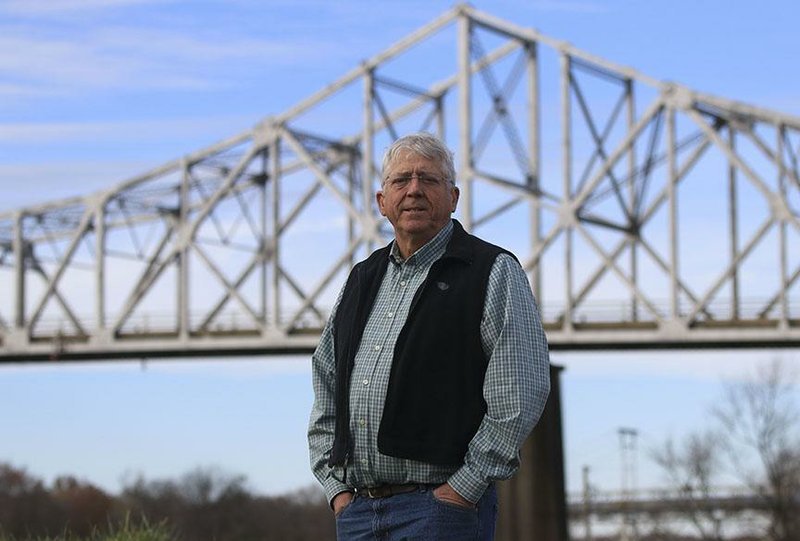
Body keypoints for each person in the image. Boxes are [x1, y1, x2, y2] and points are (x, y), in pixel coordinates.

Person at [308, 132, 550, 540]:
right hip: (358, 514)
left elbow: (520, 393)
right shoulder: (362, 278)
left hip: (440, 512)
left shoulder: (491, 270)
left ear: (453, 197)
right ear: (382, 201)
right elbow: (326, 380)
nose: (414, 190)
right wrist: (337, 490)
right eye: (401, 181)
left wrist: (463, 489)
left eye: (429, 180)